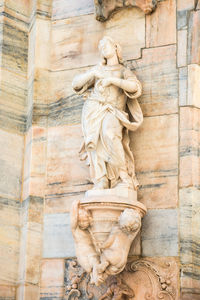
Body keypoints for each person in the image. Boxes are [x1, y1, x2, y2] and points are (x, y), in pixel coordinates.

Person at [72, 36, 143, 190]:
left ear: (115, 47)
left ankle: (123, 177)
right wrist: (92, 74)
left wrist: (113, 81)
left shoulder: (123, 70)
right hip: (93, 110)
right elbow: (76, 84)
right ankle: (101, 179)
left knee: (109, 134)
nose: (103, 47)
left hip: (113, 110)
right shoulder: (98, 70)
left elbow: (135, 87)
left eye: (106, 44)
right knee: (95, 142)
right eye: (100, 46)